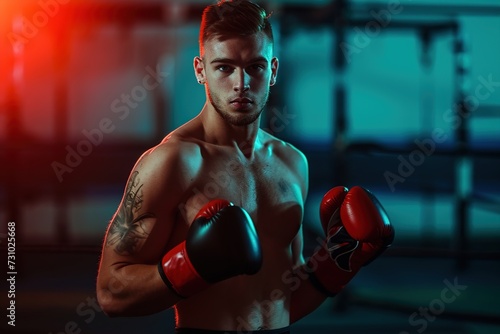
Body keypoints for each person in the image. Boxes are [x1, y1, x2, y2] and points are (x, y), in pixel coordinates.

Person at [96, 1, 394, 333]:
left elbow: (283, 301)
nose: (242, 83)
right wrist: (191, 264)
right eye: (224, 67)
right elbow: (111, 293)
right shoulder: (173, 162)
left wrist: (338, 264)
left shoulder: (292, 162)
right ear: (200, 70)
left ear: (274, 70)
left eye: (255, 67)